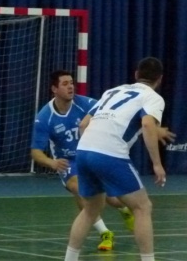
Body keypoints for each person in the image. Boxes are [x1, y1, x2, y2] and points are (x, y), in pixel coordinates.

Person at [64, 57, 171, 261]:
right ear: (160, 79)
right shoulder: (153, 97)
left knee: (90, 210)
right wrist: (157, 164)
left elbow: (83, 125)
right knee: (142, 207)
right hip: (109, 152)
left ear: (136, 74)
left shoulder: (112, 91)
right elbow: (148, 125)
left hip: (84, 150)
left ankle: (69, 258)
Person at [31, 70, 134, 251]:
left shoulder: (84, 104)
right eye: (65, 84)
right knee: (81, 190)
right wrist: (52, 163)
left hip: (92, 154)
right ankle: (105, 233)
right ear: (54, 89)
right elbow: (36, 152)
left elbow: (107, 110)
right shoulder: (45, 117)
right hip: (68, 163)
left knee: (113, 199)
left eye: (71, 82)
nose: (71, 86)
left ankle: (124, 210)